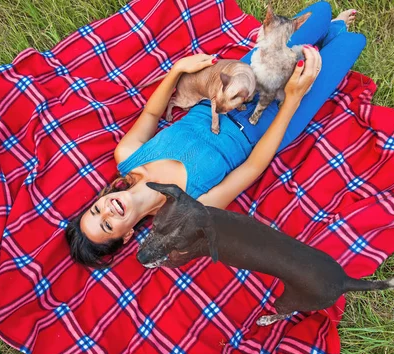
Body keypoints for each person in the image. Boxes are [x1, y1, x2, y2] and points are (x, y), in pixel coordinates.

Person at [66, 2, 366, 268]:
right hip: (265, 126)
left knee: (322, 11)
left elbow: (151, 115)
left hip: (229, 89)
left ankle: (327, 33)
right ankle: (334, 37)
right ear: (127, 234)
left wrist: (177, 70)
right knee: (353, 43)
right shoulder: (190, 210)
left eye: (96, 210)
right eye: (107, 226)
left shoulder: (127, 156)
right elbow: (252, 168)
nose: (108, 211)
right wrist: (292, 100)